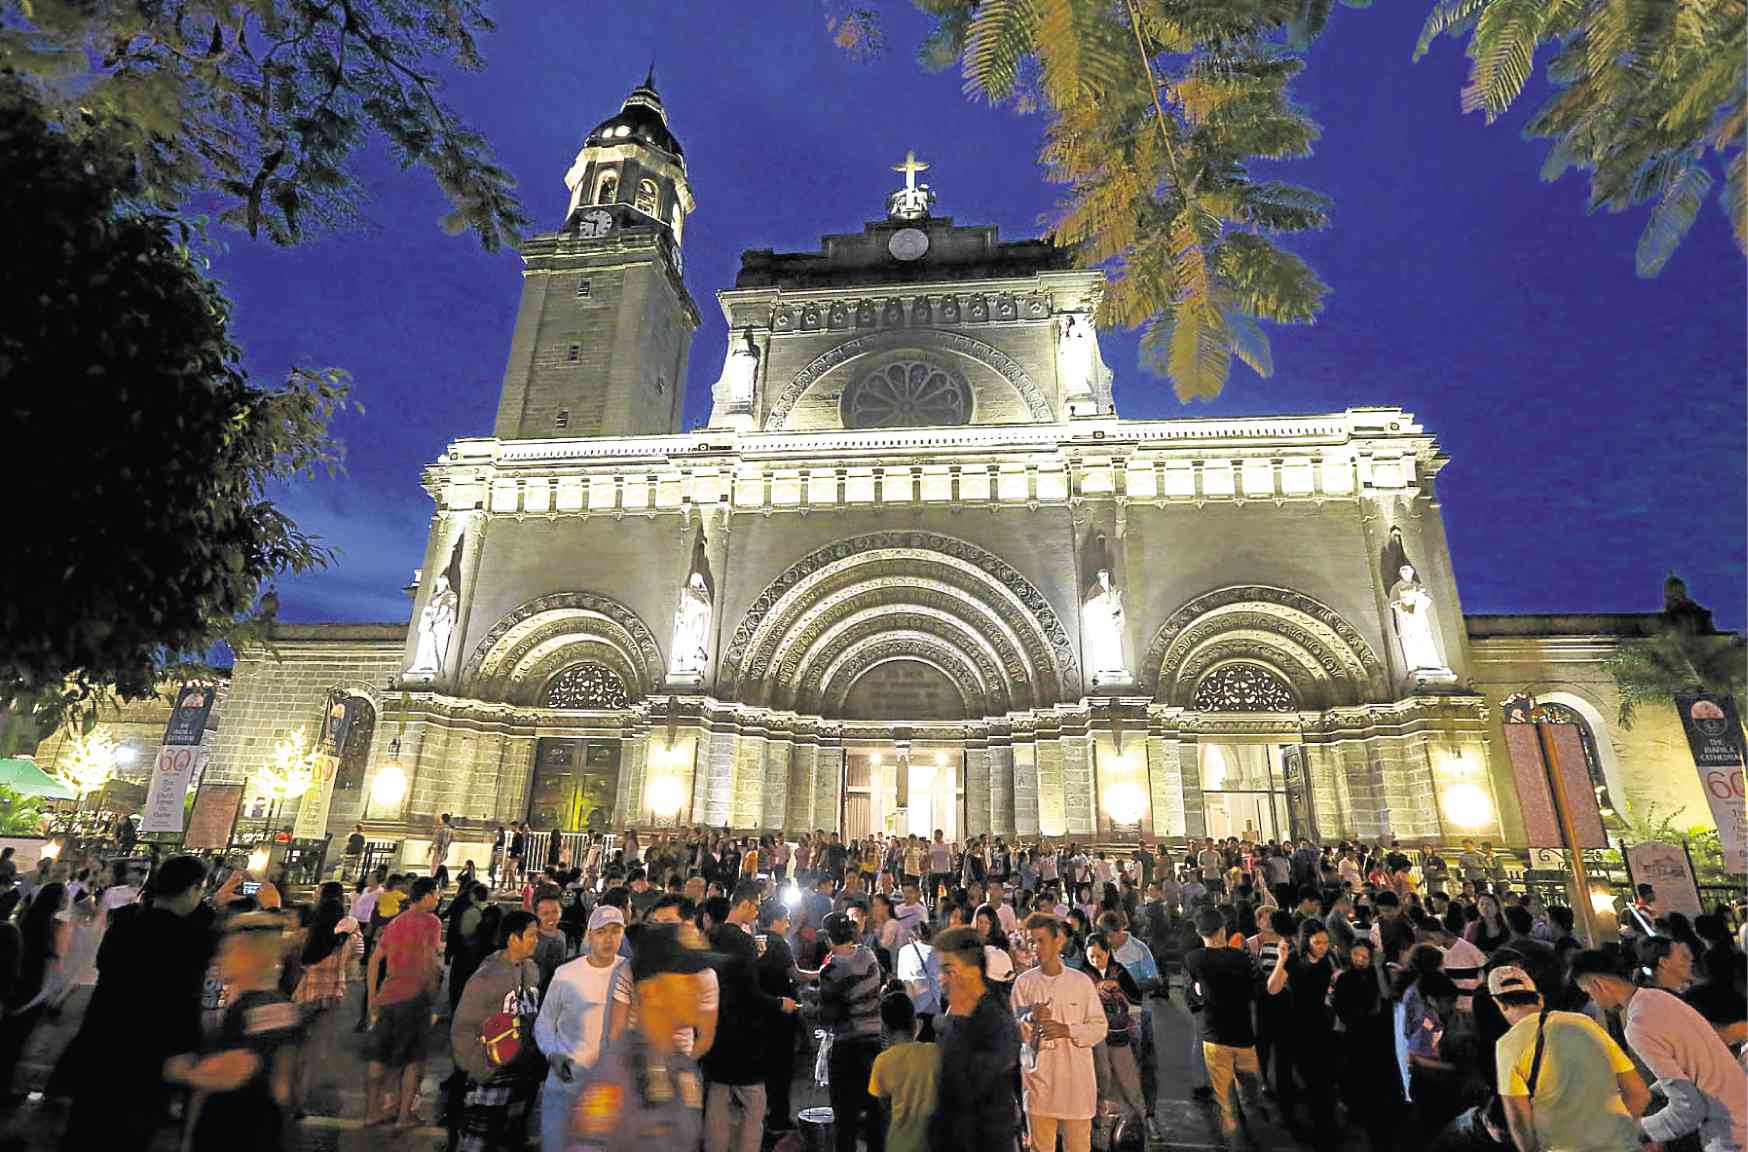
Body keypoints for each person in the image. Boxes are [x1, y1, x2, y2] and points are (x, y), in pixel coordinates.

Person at [58, 856, 211, 1148]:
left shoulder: (124, 925)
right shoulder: (191, 938)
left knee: (84, 1130)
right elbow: (184, 1001)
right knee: (129, 1135)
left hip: (101, 1044)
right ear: (193, 889)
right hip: (147, 1057)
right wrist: (186, 1050)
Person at [1569, 949, 1746, 1152]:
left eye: (1588, 994)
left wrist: (1633, 1129)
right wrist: (1648, 1091)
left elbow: (1688, 1110)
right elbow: (1694, 1067)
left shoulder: (1639, 1025)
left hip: (1729, 1135)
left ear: (1599, 984)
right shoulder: (1658, 998)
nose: (1594, 1002)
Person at [565, 923, 713, 1150]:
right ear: (651, 991)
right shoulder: (614, 1078)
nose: (701, 988)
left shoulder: (684, 1067)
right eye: (688, 978)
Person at [169, 912, 303, 1152]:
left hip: (236, 1133)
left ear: (250, 955)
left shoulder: (258, 1007)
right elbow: (283, 1085)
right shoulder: (271, 1004)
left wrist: (183, 1072)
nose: (219, 959)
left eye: (228, 950)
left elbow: (239, 1069)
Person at [1489, 964, 1648, 1152]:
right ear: (1539, 999)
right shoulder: (1584, 1023)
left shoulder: (1507, 1046)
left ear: (1500, 1004)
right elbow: (1639, 1094)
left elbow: (1519, 1121)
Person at [702, 879, 798, 1152]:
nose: (757, 912)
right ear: (744, 904)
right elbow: (750, 993)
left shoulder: (711, 937)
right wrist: (780, 1003)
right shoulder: (744, 942)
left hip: (716, 1032)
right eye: (755, 906)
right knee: (754, 1107)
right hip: (743, 1037)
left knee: (718, 1106)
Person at [534, 905, 631, 1151]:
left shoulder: (630, 973)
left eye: (615, 931)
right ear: (589, 935)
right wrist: (553, 1053)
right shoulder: (566, 974)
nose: (609, 939)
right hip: (566, 1078)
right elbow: (545, 1022)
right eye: (601, 932)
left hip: (607, 1086)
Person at [449, 909, 543, 1152]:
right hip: (490, 1073)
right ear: (514, 938)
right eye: (531, 935)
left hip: (520, 1071)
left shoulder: (531, 970)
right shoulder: (486, 977)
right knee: (477, 1141)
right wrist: (478, 1067)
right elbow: (463, 1028)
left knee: (506, 1137)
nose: (536, 940)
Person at [1013, 913, 1106, 1152]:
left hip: (1076, 1086)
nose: (1036, 947)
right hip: (1039, 1087)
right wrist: (1029, 1019)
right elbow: (1015, 1035)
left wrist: (1067, 1030)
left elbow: (1099, 1028)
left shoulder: (1081, 983)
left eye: (1042, 940)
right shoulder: (1024, 984)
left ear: (1059, 941)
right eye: (1032, 941)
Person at [928, 925, 1021, 1152]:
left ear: (973, 972)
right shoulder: (955, 1023)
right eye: (940, 970)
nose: (941, 979)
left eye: (949, 969)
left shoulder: (995, 1024)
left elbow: (971, 1092)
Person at [366, 876, 442, 1128]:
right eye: (437, 893)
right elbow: (429, 958)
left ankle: (373, 1111)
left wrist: (372, 998)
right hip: (414, 998)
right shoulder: (431, 922)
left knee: (380, 1056)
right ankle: (403, 1115)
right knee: (413, 1060)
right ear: (428, 895)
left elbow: (375, 960)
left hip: (387, 995)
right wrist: (432, 993)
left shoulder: (395, 923)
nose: (439, 898)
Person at [1184, 906, 1262, 1145]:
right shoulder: (1241, 958)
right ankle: (1255, 1139)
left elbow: (1192, 998)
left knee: (1225, 1102)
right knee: (1249, 1096)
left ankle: (1234, 1143)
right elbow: (1255, 988)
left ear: (1200, 933)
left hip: (1214, 1037)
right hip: (1244, 1035)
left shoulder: (1193, 959)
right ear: (1223, 929)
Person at [818, 910, 885, 1152]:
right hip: (874, 1044)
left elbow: (829, 1014)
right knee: (875, 1115)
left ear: (829, 939)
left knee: (845, 1120)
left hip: (847, 1047)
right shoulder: (869, 956)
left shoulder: (832, 969)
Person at [0, 882, 65, 1097]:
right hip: (27, 987)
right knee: (14, 1039)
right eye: (65, 895)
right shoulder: (41, 922)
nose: (68, 900)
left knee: (13, 1037)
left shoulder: (36, 917)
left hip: (26, 986)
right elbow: (38, 954)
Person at [1084, 930, 1146, 1145]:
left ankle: (1140, 1129)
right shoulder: (1083, 974)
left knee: (1130, 1084)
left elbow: (1137, 996)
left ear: (1108, 953)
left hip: (1119, 1036)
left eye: (1099, 956)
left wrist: (1119, 987)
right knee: (1102, 1086)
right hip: (1096, 1039)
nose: (1095, 961)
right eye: (1091, 957)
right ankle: (1101, 1136)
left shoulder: (1118, 971)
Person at [869, 991, 939, 1152]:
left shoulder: (882, 1062)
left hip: (899, 1143)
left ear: (884, 1028)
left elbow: (883, 1105)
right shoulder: (934, 1052)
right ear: (915, 1023)